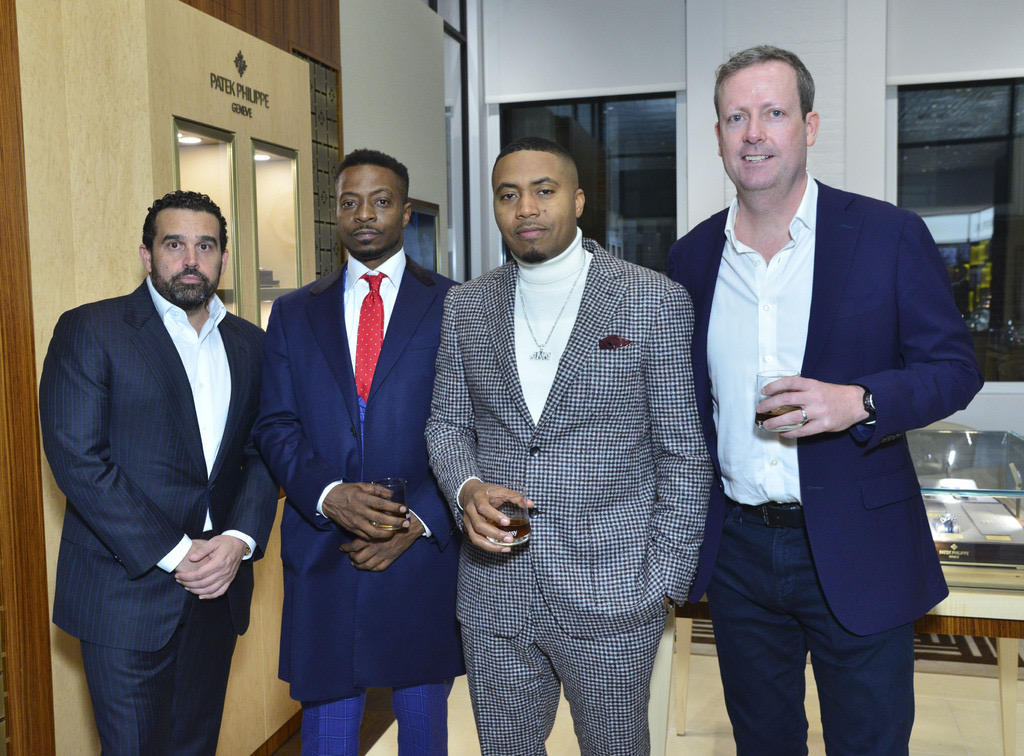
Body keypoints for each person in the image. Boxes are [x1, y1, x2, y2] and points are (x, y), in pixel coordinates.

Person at [667, 45, 984, 755]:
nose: (754, 133)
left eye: (773, 113)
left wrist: (859, 401)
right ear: (717, 136)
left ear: (809, 126)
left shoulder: (887, 236)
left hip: (859, 543)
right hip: (739, 553)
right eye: (736, 117)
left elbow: (955, 369)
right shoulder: (691, 258)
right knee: (762, 743)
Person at [425, 136, 711, 756]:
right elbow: (447, 424)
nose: (525, 208)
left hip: (614, 592)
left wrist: (662, 581)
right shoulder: (467, 305)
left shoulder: (652, 299)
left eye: (544, 191)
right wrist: (467, 488)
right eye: (508, 195)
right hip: (495, 590)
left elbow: (683, 453)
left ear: (578, 201)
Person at [39, 190, 279, 755]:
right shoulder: (92, 329)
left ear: (223, 259)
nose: (191, 259)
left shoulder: (252, 344)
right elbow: (78, 458)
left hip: (218, 590)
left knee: (196, 746)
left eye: (206, 246)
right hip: (125, 595)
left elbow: (262, 451)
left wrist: (239, 540)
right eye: (175, 245)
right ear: (147, 255)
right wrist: (177, 552)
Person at [253, 148, 463, 755]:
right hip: (327, 549)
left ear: (405, 212)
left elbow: (477, 426)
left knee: (423, 728)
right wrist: (328, 495)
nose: (364, 214)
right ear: (336, 213)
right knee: (329, 733)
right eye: (350, 202)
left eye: (380, 201)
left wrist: (419, 518)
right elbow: (276, 425)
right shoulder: (293, 312)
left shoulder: (456, 304)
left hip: (420, 553)